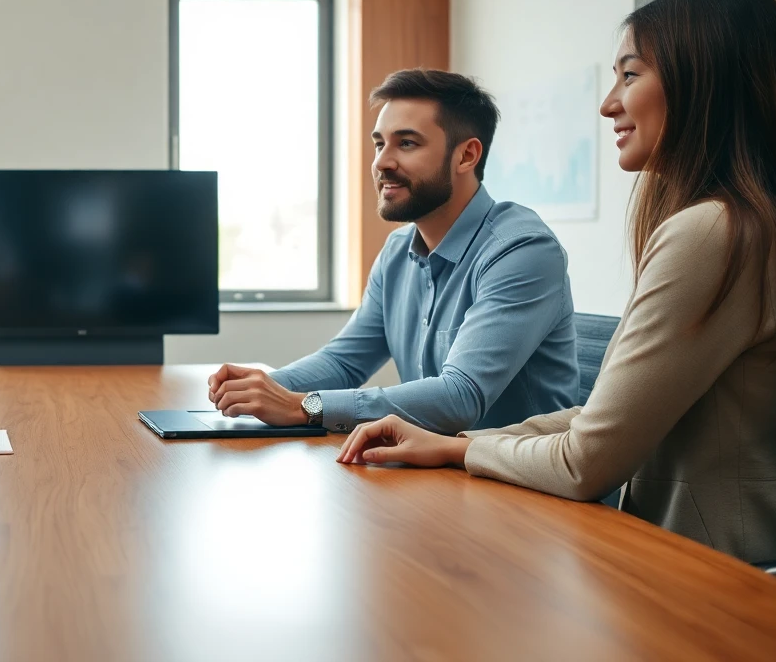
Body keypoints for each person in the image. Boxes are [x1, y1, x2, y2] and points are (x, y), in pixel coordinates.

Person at [337, 0, 776, 566]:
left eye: (629, 75)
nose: (608, 103)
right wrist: (458, 445)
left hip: (716, 580)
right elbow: (604, 421)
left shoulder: (710, 233)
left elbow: (586, 458)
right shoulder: (744, 224)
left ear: (702, 81)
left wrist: (458, 450)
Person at [208, 70, 579, 435]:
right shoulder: (398, 250)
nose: (382, 162)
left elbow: (460, 397)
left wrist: (302, 406)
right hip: (437, 472)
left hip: (521, 487)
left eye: (406, 143)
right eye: (379, 144)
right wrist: (257, 390)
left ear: (466, 156)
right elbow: (344, 362)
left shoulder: (522, 250)